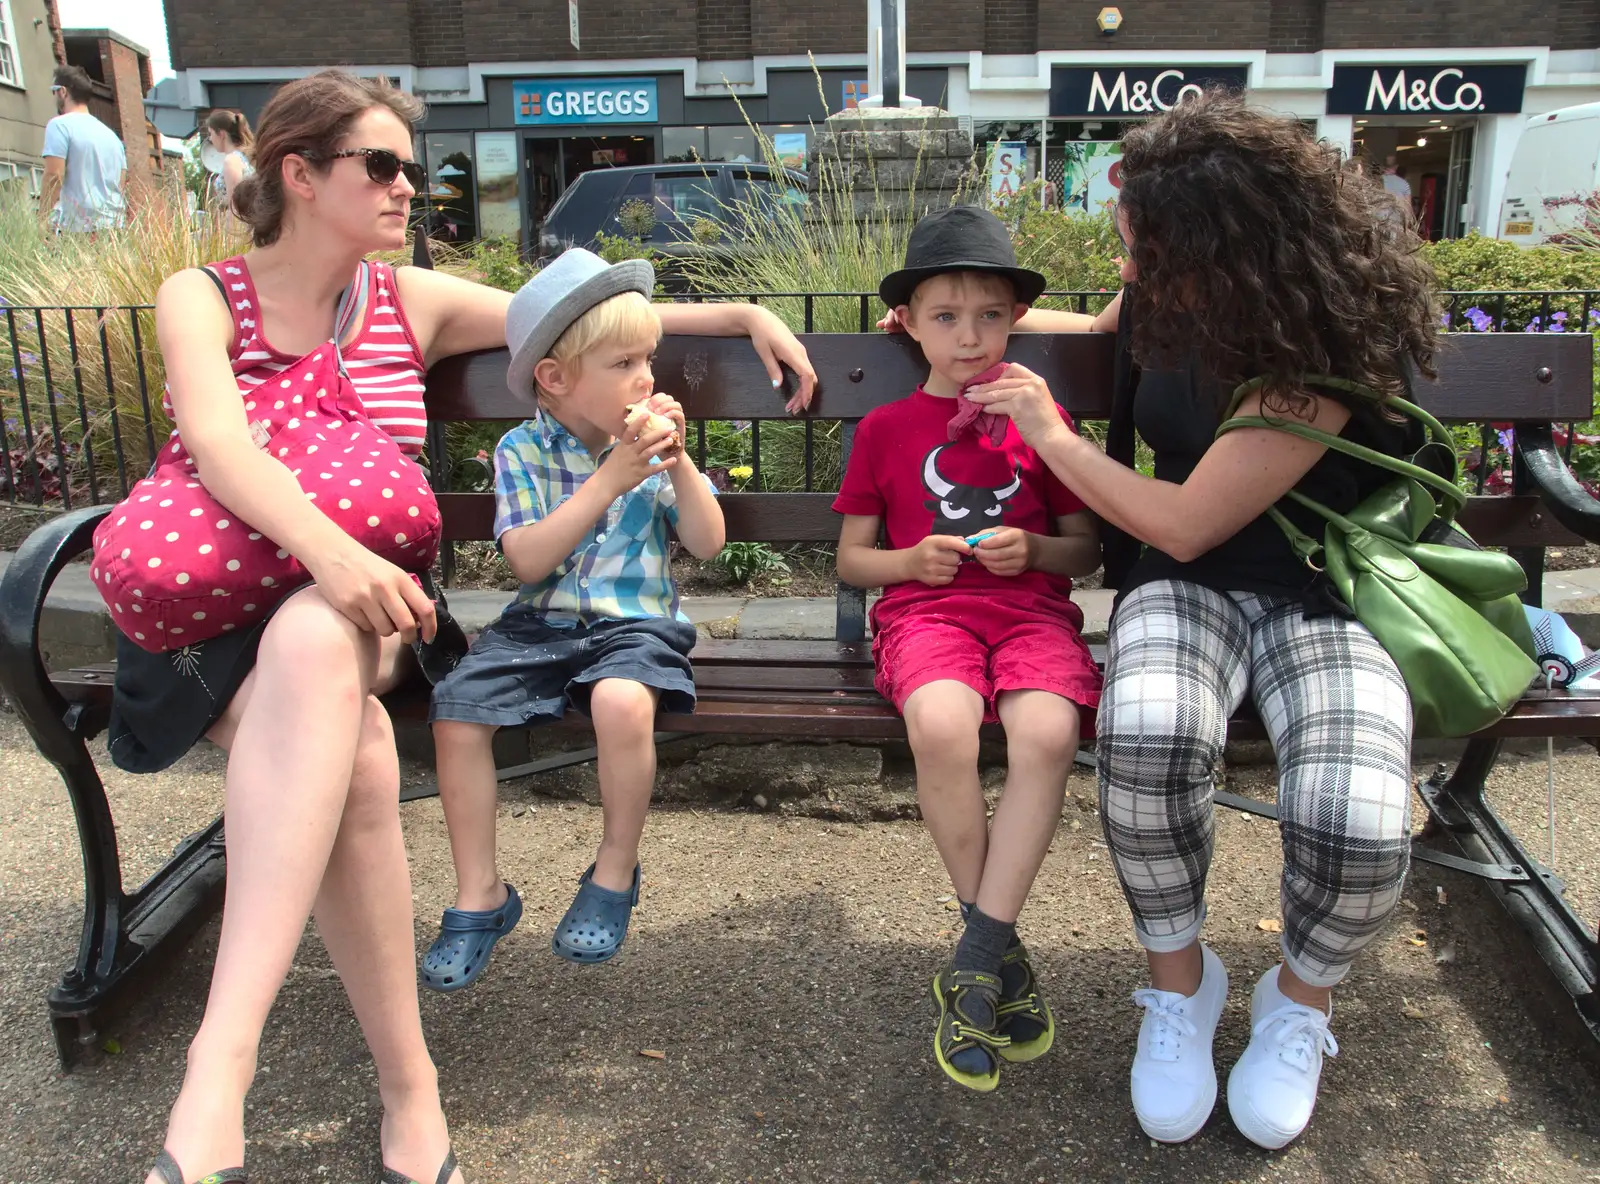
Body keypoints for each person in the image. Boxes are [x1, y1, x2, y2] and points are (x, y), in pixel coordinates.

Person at [117, 68, 815, 1184]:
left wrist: (737, 312)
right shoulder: (201, 296)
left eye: (411, 165)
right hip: (229, 617)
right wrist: (329, 556)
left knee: (320, 641)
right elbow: (218, 442)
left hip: (373, 613)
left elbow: (581, 324)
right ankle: (411, 1089)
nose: (409, 186)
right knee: (344, 750)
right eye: (382, 165)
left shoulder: (411, 299)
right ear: (298, 174)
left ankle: (218, 1070)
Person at [963, 90, 1436, 1149]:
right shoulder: (1168, 302)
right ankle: (1178, 985)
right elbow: (1085, 330)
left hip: (1322, 590)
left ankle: (1298, 1000)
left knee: (1358, 819)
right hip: (1187, 597)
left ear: (1227, 248)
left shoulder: (1326, 344)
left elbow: (1180, 521)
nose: (1126, 270)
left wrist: (1047, 430)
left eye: (1142, 248)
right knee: (1143, 740)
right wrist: (950, 317)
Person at [834, 205, 1102, 1093]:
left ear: (1014, 320)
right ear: (907, 323)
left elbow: (1085, 548)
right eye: (946, 316)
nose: (971, 335)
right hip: (927, 615)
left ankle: (976, 957)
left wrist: (1038, 552)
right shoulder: (885, 430)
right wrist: (910, 561)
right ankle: (995, 952)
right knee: (942, 724)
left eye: (990, 315)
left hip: (1032, 615)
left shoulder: (1040, 417)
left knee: (1047, 734)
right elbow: (851, 559)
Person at [421, 249, 724, 988]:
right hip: (540, 623)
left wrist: (678, 465)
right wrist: (605, 480)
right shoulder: (521, 450)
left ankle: (615, 870)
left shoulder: (653, 452)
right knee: (457, 714)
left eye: (648, 359)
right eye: (624, 362)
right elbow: (527, 561)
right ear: (555, 380)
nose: (646, 379)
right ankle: (479, 894)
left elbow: (708, 544)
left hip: (634, 627)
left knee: (623, 702)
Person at [38, 64, 126, 233]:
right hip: (115, 229)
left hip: (80, 230)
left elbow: (54, 176)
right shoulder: (112, 137)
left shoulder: (59, 125)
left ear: (63, 91)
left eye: (53, 91)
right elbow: (120, 184)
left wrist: (42, 219)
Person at [204, 108, 255, 226]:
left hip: (239, 229)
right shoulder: (241, 158)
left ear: (221, 134)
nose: (210, 139)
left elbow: (235, 206)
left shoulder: (231, 161)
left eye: (211, 133)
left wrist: (233, 239)